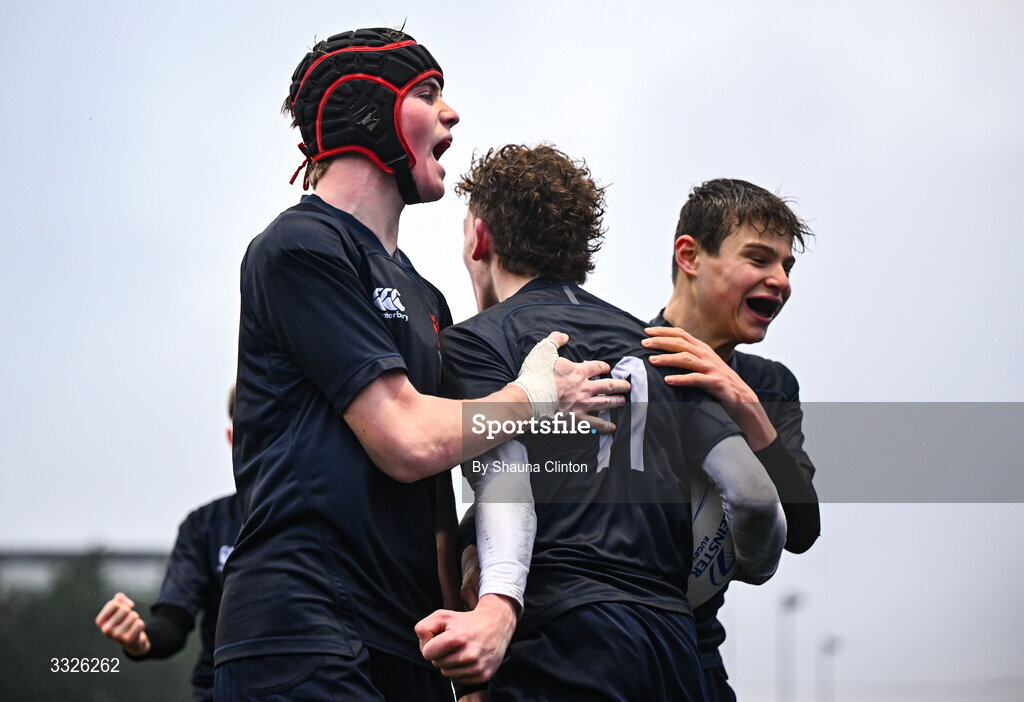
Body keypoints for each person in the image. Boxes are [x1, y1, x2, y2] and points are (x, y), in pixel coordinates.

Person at [214, 30, 625, 702]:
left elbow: (437, 489)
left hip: (407, 636)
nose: (452, 113)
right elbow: (405, 440)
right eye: (429, 94)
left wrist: (468, 634)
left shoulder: (426, 294)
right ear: (365, 113)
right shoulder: (299, 245)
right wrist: (531, 396)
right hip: (303, 628)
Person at [415, 145, 787, 701]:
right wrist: (751, 567)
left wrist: (497, 604)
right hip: (673, 646)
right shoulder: (661, 346)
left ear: (480, 239)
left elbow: (505, 474)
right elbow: (755, 496)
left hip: (563, 639)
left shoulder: (480, 340)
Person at [643, 177, 822, 701]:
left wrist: (740, 401)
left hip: (700, 651)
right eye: (761, 259)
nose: (781, 280)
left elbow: (803, 527)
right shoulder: (627, 358)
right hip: (615, 639)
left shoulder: (771, 385)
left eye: (787, 266)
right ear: (690, 255)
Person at [95, 387, 240, 702]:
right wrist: (140, 638)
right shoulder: (204, 525)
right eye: (251, 429)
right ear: (231, 439)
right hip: (223, 691)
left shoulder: (337, 515)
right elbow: (173, 622)